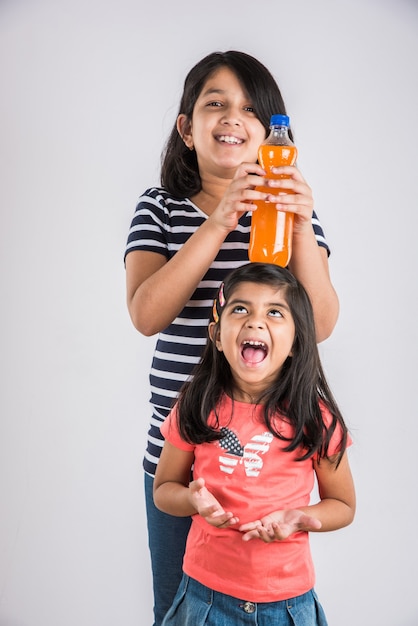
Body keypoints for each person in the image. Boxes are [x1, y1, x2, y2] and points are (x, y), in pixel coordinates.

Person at [124, 50, 340, 625]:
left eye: (251, 109)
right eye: (214, 103)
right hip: (180, 449)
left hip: (269, 459)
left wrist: (298, 224)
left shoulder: (290, 214)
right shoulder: (161, 208)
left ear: (273, 137)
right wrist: (219, 219)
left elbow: (320, 322)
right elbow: (147, 314)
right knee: (178, 610)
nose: (232, 116)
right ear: (186, 129)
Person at [153, 262, 356, 626]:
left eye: (275, 312)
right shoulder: (194, 405)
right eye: (240, 308)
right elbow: (163, 489)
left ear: (296, 342)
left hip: (287, 603)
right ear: (216, 335)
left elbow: (342, 505)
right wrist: (191, 500)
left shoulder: (315, 416)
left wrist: (300, 520)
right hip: (204, 597)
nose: (255, 321)